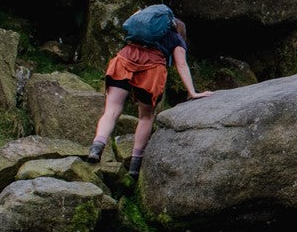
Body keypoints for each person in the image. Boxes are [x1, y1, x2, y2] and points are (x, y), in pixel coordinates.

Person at [86, 11, 210, 175]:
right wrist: (192, 92)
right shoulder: (176, 38)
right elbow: (181, 65)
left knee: (111, 110)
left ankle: (97, 147)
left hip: (124, 60)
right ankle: (135, 165)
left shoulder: (142, 29)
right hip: (151, 70)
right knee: (146, 116)